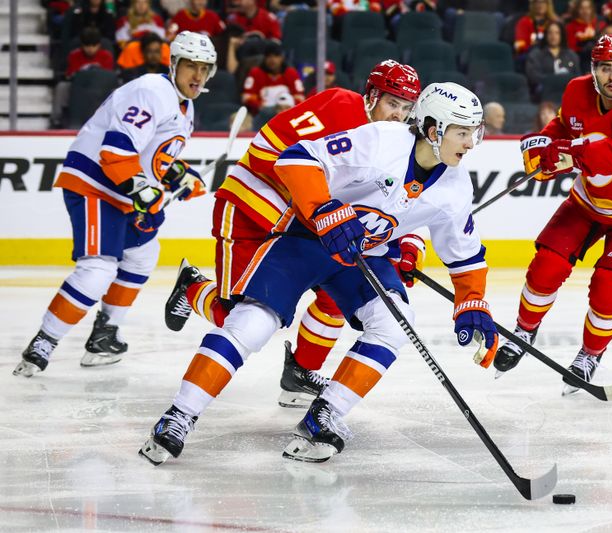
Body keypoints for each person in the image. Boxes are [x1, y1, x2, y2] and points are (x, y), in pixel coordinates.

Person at [139, 81, 496, 466]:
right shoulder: (381, 140)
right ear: (433, 129)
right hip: (307, 240)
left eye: (474, 131)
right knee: (252, 323)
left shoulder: (456, 187)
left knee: (395, 324)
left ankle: (322, 416)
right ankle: (178, 416)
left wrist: (472, 300)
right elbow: (297, 158)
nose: (471, 143)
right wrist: (325, 210)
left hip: (362, 257)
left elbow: (464, 256)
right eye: (463, 132)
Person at [161, 60, 423, 412]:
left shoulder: (393, 141)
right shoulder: (340, 105)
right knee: (236, 315)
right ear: (372, 95)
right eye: (392, 104)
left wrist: (404, 243)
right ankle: (193, 287)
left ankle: (301, 371)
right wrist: (317, 202)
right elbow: (271, 150)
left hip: (304, 229)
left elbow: (402, 200)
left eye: (406, 109)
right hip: (252, 214)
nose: (398, 116)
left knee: (334, 297)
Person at [12, 31, 215, 378]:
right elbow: (117, 149)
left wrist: (179, 175)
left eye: (205, 68)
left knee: (143, 254)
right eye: (190, 66)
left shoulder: (185, 105)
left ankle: (104, 334)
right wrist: (144, 191)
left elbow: (153, 156)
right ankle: (44, 343)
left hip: (122, 190)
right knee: (97, 270)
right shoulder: (152, 90)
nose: (197, 75)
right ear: (174, 64)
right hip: (96, 185)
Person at [495, 35, 612, 395]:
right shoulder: (576, 92)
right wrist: (543, 149)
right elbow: (563, 128)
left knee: (609, 287)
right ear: (593, 70)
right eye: (605, 67)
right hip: (588, 202)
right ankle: (523, 331)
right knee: (547, 264)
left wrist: (565, 154)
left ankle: (590, 355)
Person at [241, 40, 305, 114]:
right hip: (263, 114)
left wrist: (286, 107)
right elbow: (247, 97)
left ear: (282, 57)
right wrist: (261, 106)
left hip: (287, 113)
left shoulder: (291, 73)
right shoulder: (255, 73)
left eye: (276, 56)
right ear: (264, 58)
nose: (272, 59)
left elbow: (300, 97)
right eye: (269, 56)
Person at [525, 21, 580, 100]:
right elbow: (533, 77)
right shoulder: (536, 54)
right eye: (550, 33)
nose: (553, 36)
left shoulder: (572, 55)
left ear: (562, 35)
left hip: (568, 94)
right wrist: (553, 81)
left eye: (557, 33)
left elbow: (577, 77)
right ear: (546, 35)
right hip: (544, 94)